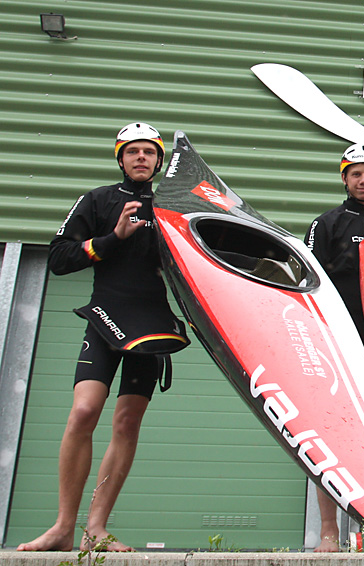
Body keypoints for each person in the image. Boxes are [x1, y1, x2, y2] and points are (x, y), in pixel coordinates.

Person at [19, 123, 188, 552]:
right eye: (132, 151)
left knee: (127, 421)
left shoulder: (173, 205)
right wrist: (111, 239)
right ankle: (62, 527)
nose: (141, 158)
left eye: (149, 151)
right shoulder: (97, 200)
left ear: (159, 159)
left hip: (151, 324)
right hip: (106, 316)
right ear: (120, 157)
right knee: (83, 412)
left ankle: (95, 528)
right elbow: (58, 258)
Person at [304, 143, 364, 552]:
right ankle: (327, 532)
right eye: (356, 173)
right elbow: (305, 282)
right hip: (338, 341)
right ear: (344, 178)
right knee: (330, 435)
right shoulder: (325, 224)